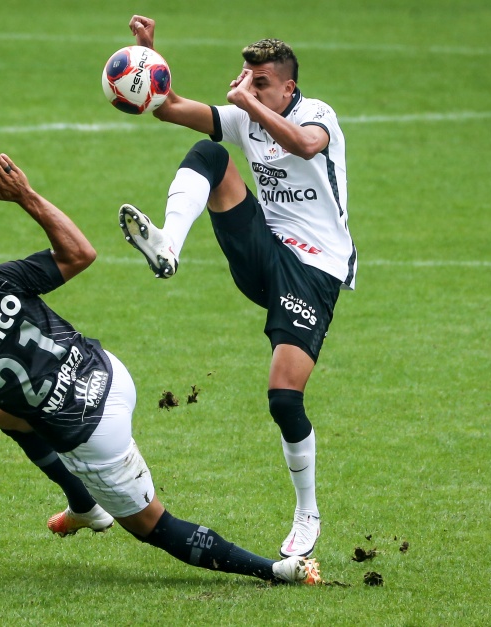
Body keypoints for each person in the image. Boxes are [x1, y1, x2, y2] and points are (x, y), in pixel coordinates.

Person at [0, 151, 321, 588]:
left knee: (158, 527)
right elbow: (80, 252)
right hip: (112, 375)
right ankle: (85, 506)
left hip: (95, 436)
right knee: (5, 413)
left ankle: (273, 570)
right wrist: (26, 196)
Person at [118, 15, 358, 559]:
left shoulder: (317, 115)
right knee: (211, 156)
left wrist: (247, 106)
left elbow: (302, 146)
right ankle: (168, 247)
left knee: (283, 396)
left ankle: (307, 510)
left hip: (314, 270)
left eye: (261, 81)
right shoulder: (244, 115)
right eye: (245, 78)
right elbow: (172, 107)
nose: (248, 87)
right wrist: (148, 64)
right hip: (263, 253)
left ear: (288, 86)